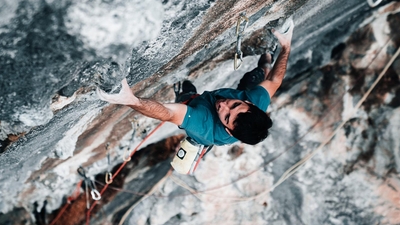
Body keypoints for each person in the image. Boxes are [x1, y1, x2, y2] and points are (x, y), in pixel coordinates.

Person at [97, 20, 294, 146]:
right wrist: (286, 47)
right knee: (256, 77)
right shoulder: (255, 104)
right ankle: (267, 55)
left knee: (187, 92)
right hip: (248, 102)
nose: (224, 105)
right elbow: (275, 80)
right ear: (249, 104)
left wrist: (132, 100)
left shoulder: (204, 124)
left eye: (226, 116)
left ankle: (186, 93)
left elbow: (169, 113)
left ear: (227, 129)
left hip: (200, 117)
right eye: (234, 105)